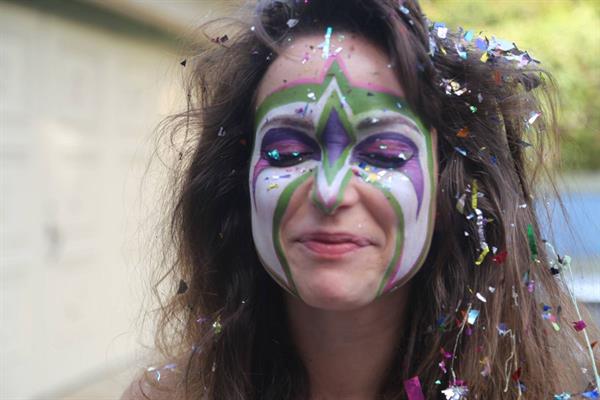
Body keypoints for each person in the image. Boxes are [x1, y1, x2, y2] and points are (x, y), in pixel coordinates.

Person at [122, 1, 599, 399]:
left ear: (448, 186)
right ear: (239, 184)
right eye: (288, 152)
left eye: (385, 155)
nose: (331, 192)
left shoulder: (573, 384)